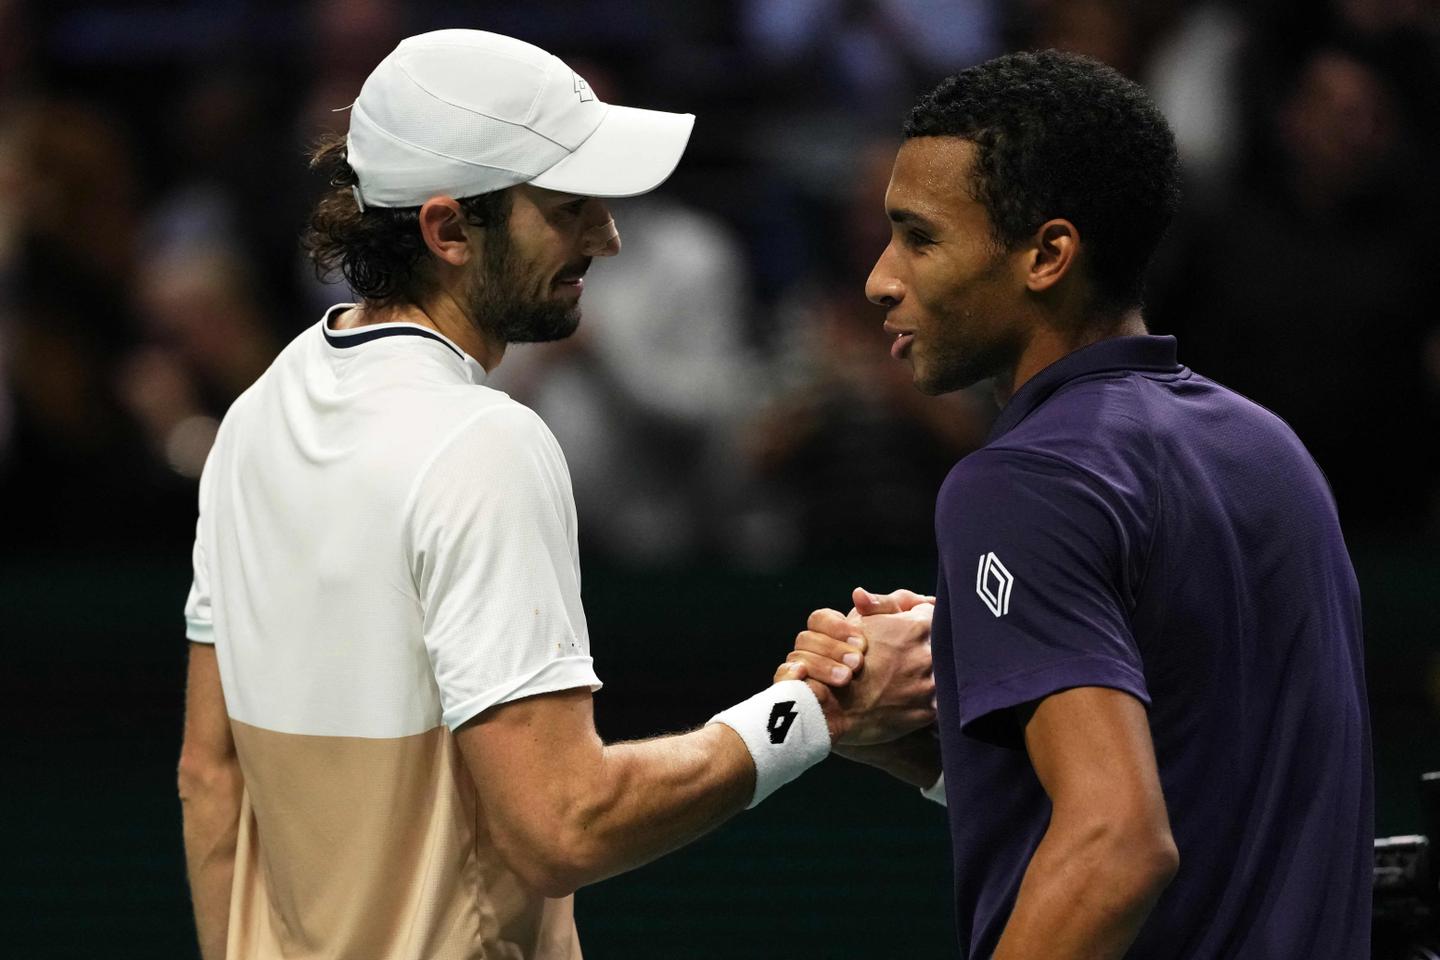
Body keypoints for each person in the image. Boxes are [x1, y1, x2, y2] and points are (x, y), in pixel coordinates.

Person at [175, 30, 934, 960]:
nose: (607, 238)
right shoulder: (481, 443)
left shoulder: (261, 410)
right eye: (568, 208)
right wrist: (817, 714)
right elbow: (562, 825)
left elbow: (209, 775)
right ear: (448, 231)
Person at [791, 50, 1372, 958]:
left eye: (919, 236)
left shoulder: (1022, 483)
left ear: (1048, 255)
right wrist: (939, 735)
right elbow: (1204, 785)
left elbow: (1119, 845)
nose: (879, 277)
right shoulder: (1268, 450)